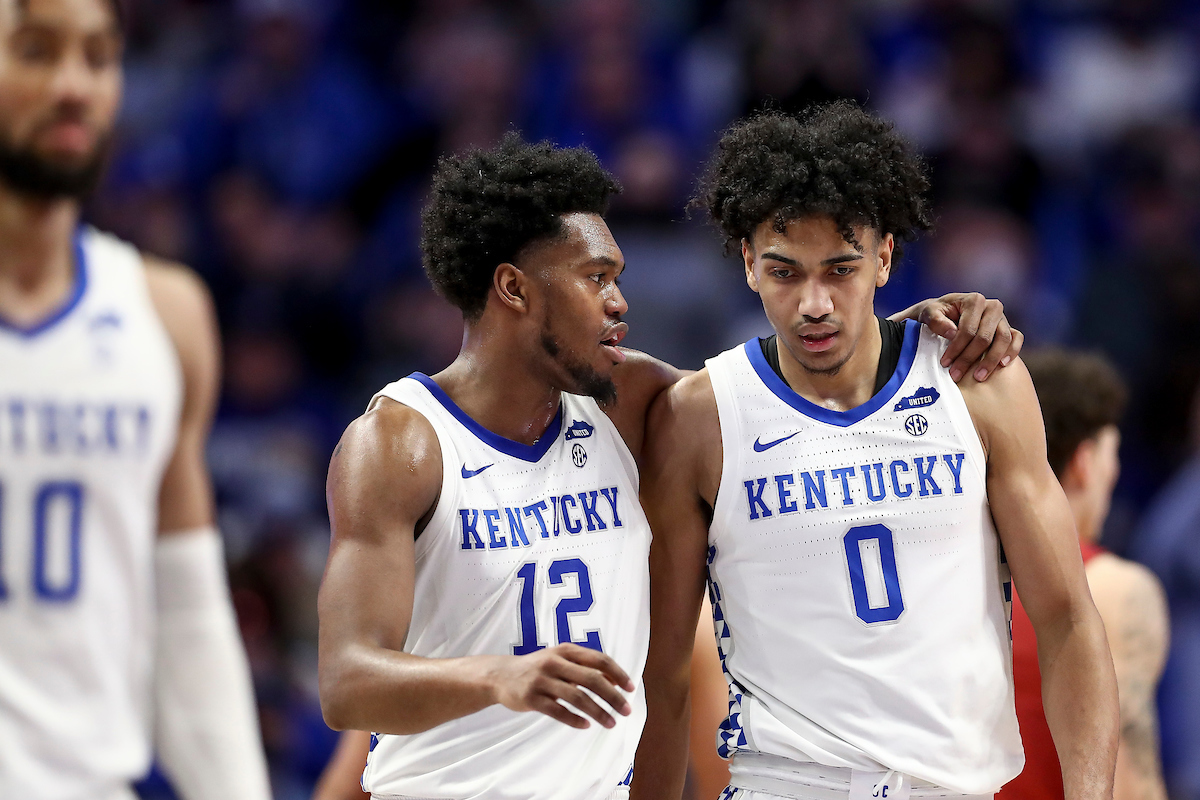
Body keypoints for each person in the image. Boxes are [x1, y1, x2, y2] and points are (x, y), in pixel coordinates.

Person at [315, 131, 1022, 800]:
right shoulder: (401, 444)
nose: (621, 302)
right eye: (597, 279)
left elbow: (786, 394)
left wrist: (910, 335)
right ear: (514, 288)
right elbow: (347, 682)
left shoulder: (632, 405)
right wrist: (498, 677)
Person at [629, 102, 1119, 800]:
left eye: (840, 270)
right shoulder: (698, 419)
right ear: (746, 263)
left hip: (957, 786)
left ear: (885, 256)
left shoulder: (976, 381)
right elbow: (666, 671)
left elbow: (1068, 617)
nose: (814, 303)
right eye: (785, 272)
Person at [0, 1, 272, 799]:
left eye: (98, 56)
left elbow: (186, 610)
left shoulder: (166, 312)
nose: (74, 86)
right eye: (35, 51)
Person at [999, 350, 1168, 800]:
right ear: (1085, 462)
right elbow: (1129, 779)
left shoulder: (952, 578)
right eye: (1114, 454)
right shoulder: (1115, 589)